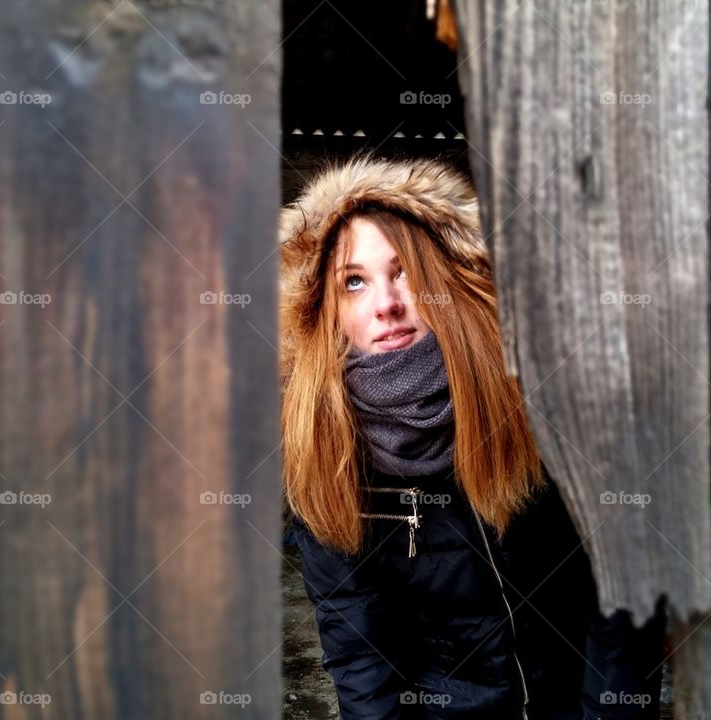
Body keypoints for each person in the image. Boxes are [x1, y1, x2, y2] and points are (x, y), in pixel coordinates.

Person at [279, 156, 666, 719]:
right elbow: (361, 656)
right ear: (327, 307)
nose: (385, 304)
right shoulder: (321, 443)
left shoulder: (541, 400)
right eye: (354, 281)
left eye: (404, 271)